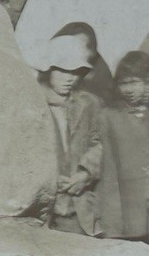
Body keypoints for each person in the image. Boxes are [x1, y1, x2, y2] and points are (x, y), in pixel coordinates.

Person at [95, 50, 149, 244]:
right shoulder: (109, 116)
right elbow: (109, 170)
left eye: (135, 82)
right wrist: (112, 222)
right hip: (129, 205)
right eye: (124, 83)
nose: (129, 89)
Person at [36, 33, 102, 236]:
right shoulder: (30, 104)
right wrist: (47, 180)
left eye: (75, 72)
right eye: (62, 70)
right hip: (40, 210)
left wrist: (86, 174)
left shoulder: (89, 103)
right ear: (48, 70)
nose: (69, 78)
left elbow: (101, 142)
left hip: (79, 209)